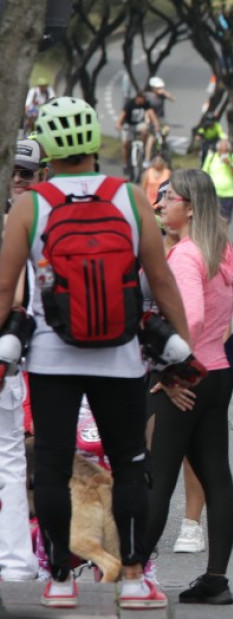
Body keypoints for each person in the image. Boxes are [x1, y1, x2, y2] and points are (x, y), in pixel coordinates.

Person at [0, 97, 192, 609]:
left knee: (54, 468)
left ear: (48, 148)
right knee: (131, 465)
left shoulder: (30, 204)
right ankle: (133, 580)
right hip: (121, 355)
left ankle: (60, 579)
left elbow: (4, 288)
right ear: (91, 142)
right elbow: (161, 277)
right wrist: (180, 348)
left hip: (50, 358)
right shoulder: (130, 198)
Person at [145, 169, 233, 605]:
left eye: (169, 198)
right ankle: (216, 580)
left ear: (190, 207)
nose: (162, 204)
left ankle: (131, 572)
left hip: (189, 377)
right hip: (218, 374)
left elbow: (194, 319)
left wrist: (169, 374)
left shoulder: (185, 255)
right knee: (217, 476)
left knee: (157, 479)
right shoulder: (223, 250)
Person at [0, 139, 48, 584]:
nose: (18, 178)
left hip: (31, 357)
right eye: (13, 170)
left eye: (27, 172)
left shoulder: (42, 223)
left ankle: (20, 558)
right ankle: (18, 558)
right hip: (17, 357)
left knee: (16, 461)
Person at [116, 92, 159, 174]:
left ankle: (143, 147)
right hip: (129, 125)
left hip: (139, 124)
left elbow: (151, 113)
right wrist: (118, 124)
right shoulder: (130, 104)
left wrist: (156, 124)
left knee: (145, 130)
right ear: (138, 98)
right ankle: (125, 164)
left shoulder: (146, 103)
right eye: (142, 99)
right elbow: (123, 115)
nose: (143, 102)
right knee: (125, 144)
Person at [201, 138, 233, 224]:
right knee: (211, 221)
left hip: (227, 195)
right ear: (218, 150)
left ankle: (222, 237)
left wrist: (229, 164)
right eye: (221, 151)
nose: (223, 153)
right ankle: (212, 237)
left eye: (226, 151)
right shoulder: (211, 157)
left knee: (224, 221)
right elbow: (204, 173)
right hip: (212, 194)